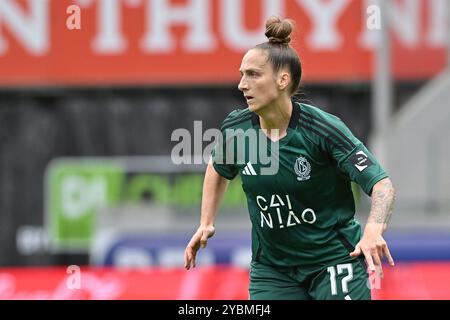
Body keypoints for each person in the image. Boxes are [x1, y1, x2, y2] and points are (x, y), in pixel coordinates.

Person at [184, 16, 396, 300]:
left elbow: (382, 185)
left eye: (252, 74)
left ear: (283, 79)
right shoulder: (237, 129)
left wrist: (373, 229)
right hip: (273, 270)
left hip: (334, 259)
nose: (241, 85)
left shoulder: (322, 129)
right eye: (241, 74)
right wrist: (206, 221)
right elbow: (218, 167)